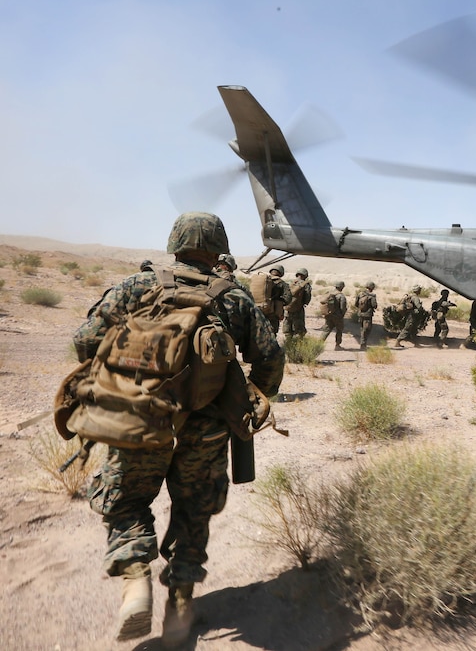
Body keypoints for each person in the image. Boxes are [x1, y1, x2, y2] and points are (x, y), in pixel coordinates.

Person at [72, 212, 284, 647]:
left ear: (174, 242)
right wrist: (253, 396)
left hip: (138, 420)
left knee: (125, 498)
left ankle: (135, 580)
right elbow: (271, 357)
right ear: (218, 247)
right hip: (206, 432)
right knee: (194, 510)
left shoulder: (138, 285)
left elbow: (85, 340)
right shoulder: (234, 297)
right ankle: (182, 603)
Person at [262, 265, 293, 335]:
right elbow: (288, 298)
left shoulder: (263, 280)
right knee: (272, 332)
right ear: (281, 273)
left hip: (260, 310)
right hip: (273, 312)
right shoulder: (282, 283)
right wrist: (279, 302)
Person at [319, 280, 349, 349]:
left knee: (326, 330)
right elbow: (343, 308)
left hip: (329, 315)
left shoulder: (329, 294)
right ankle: (337, 345)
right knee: (339, 330)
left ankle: (318, 344)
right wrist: (342, 315)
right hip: (337, 316)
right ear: (342, 287)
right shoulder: (341, 296)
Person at [284, 268, 312, 338]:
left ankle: (288, 343)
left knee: (288, 327)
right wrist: (304, 303)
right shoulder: (305, 284)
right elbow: (307, 297)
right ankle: (296, 344)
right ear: (305, 275)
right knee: (299, 329)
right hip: (298, 309)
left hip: (288, 308)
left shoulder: (291, 282)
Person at [354, 280, 379, 349]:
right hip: (368, 315)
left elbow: (356, 304)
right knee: (367, 329)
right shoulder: (372, 296)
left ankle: (363, 343)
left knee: (362, 329)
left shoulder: (360, 294)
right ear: (372, 287)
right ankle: (363, 345)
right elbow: (374, 306)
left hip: (360, 314)